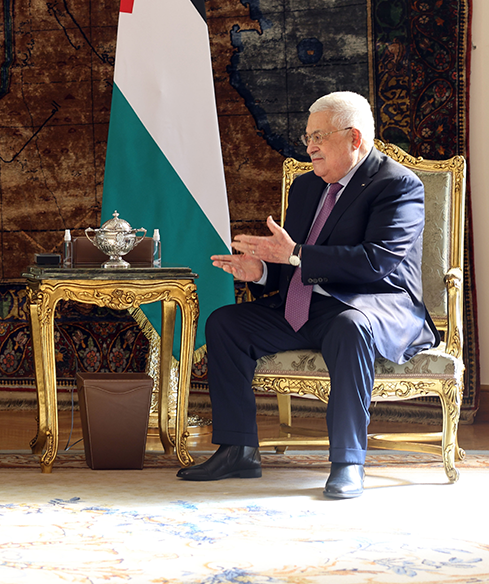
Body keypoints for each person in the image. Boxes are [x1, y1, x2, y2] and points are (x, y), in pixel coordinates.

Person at [177, 91, 437, 498]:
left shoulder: (397, 185)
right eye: (307, 137)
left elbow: (376, 262)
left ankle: (349, 461)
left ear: (354, 138)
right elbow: (293, 266)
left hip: (374, 305)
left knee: (350, 327)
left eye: (319, 136)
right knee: (225, 323)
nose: (310, 147)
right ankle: (238, 448)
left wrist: (294, 253)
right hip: (309, 306)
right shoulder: (305, 187)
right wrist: (262, 272)